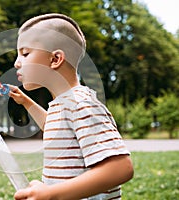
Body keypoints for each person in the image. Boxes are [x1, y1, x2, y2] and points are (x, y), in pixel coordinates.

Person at [8, 13, 134, 200]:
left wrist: (51, 193)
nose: (16, 63)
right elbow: (55, 129)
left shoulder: (81, 104)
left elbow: (121, 168)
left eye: (25, 53)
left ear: (55, 59)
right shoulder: (64, 104)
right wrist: (26, 102)